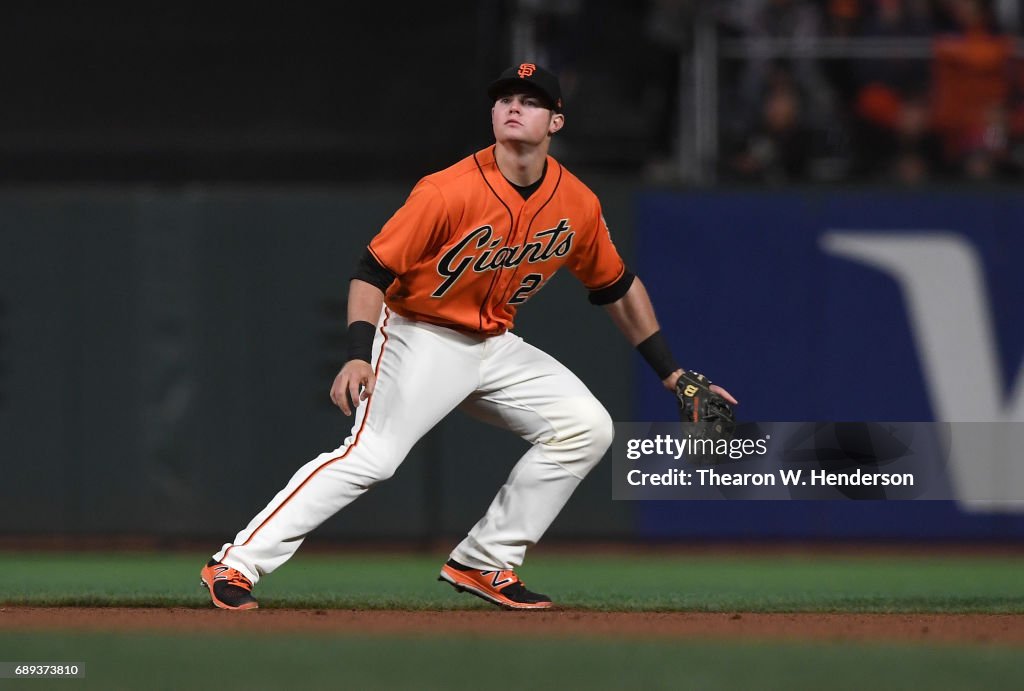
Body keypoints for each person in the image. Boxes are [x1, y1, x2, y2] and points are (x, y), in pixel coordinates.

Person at [200, 63, 737, 611]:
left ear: (555, 121)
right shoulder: (446, 190)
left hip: (495, 344)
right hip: (418, 334)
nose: (513, 106)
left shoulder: (577, 202)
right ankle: (236, 564)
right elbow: (371, 272)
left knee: (587, 428)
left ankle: (486, 561)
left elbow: (618, 287)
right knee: (373, 456)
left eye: (529, 100)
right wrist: (358, 354)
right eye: (505, 97)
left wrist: (671, 372)